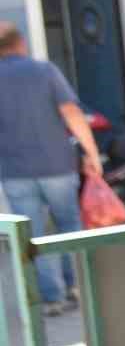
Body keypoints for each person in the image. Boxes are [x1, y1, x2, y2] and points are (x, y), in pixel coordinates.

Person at [0, 23, 103, 316]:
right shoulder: (45, 71)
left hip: (14, 171)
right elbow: (72, 113)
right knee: (68, 226)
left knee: (32, 234)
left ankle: (52, 297)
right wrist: (91, 153)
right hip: (57, 166)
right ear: (21, 44)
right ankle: (75, 286)